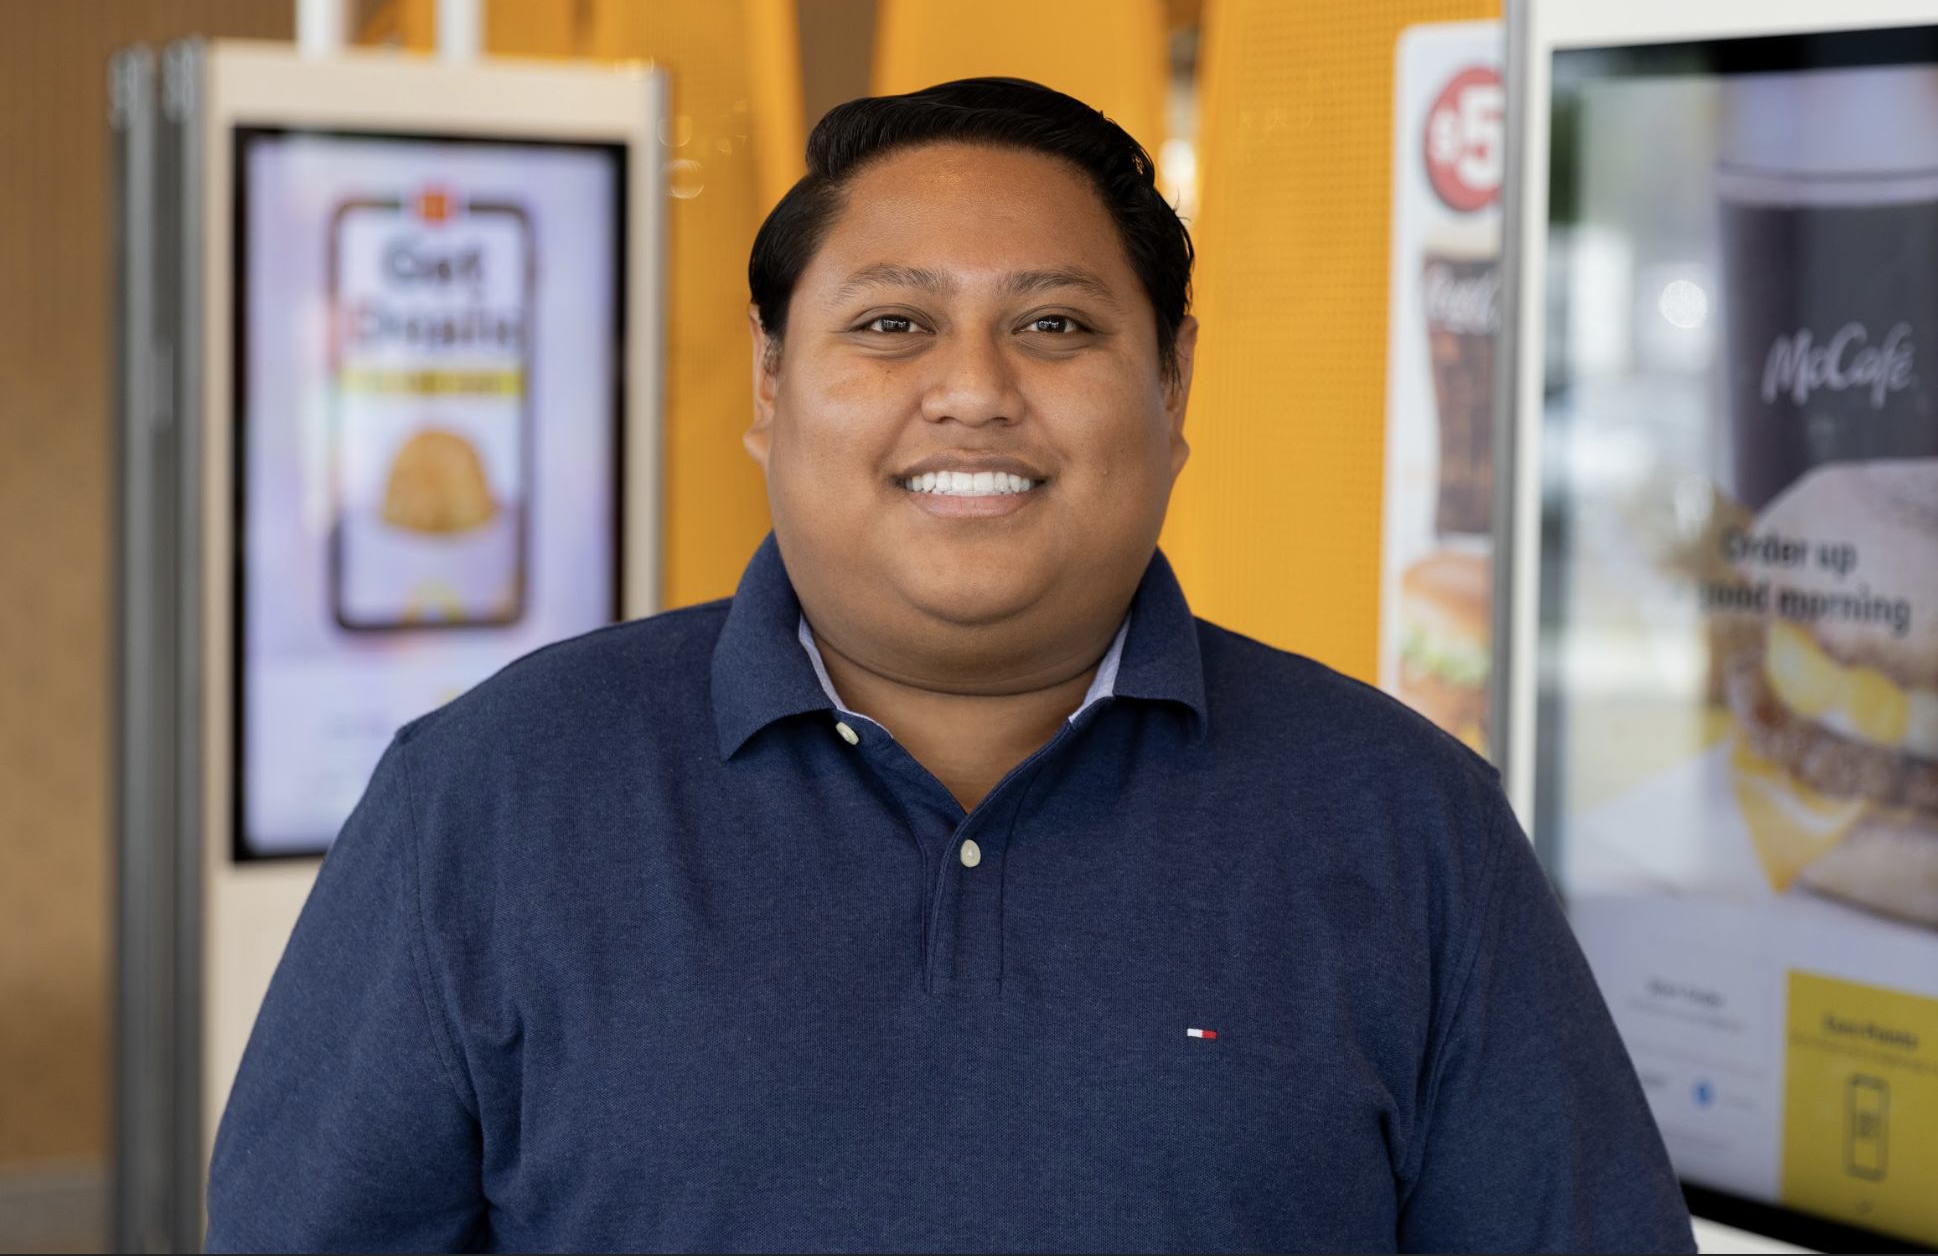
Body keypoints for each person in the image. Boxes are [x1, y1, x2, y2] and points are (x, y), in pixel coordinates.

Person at [207, 77, 1695, 1252]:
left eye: (1054, 323)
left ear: (1172, 382)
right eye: (891, 323)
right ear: (772, 382)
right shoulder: (487, 799)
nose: (973, 390)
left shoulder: (1410, 823)